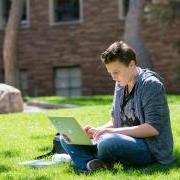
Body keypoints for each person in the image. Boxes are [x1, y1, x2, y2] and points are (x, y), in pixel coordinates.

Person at [59, 41, 174, 171]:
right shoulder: (121, 84)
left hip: (150, 148)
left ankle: (84, 159)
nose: (113, 77)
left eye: (116, 72)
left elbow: (152, 128)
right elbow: (116, 121)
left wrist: (110, 132)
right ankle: (91, 164)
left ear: (131, 64)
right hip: (120, 140)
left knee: (108, 143)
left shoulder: (151, 85)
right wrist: (97, 131)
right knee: (66, 137)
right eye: (110, 73)